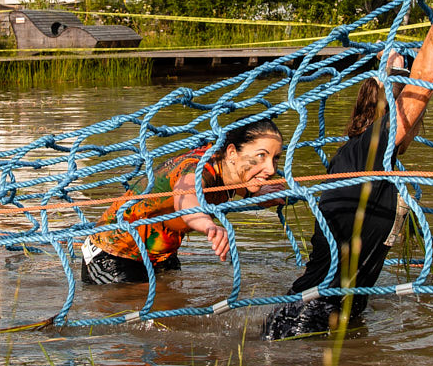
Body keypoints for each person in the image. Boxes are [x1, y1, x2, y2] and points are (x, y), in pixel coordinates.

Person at [261, 0, 433, 340]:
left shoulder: (365, 160)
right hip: (307, 321)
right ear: (386, 108)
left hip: (336, 320)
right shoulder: (364, 153)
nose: (416, 117)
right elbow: (423, 84)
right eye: (401, 93)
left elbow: (414, 97)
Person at [80, 118, 285, 284]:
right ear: (232, 152)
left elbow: (229, 186)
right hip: (112, 254)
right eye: (261, 156)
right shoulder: (198, 168)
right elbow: (185, 198)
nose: (271, 169)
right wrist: (208, 226)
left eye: (275, 158)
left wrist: (255, 194)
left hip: (160, 256)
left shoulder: (231, 173)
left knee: (174, 312)